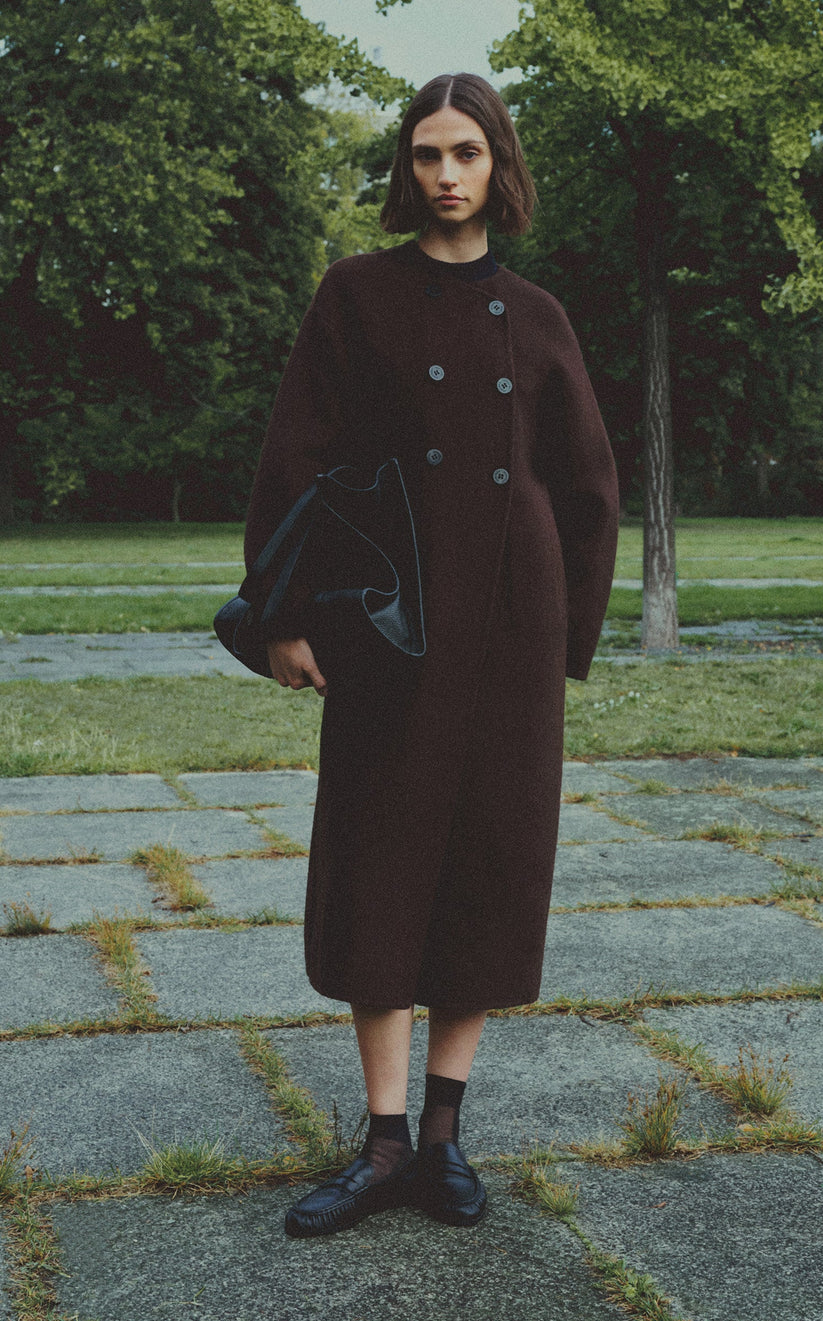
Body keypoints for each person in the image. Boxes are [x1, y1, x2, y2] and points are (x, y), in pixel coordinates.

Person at [242, 72, 619, 1238]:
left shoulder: (539, 315)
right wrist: (284, 616)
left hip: (511, 629)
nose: (446, 174)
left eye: (466, 152)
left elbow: (588, 485)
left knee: (486, 868)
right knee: (380, 862)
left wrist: (565, 639)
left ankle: (445, 1137)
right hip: (389, 627)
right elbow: (296, 457)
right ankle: (382, 1143)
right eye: (425, 153)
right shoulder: (354, 295)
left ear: (498, 164)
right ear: (405, 167)